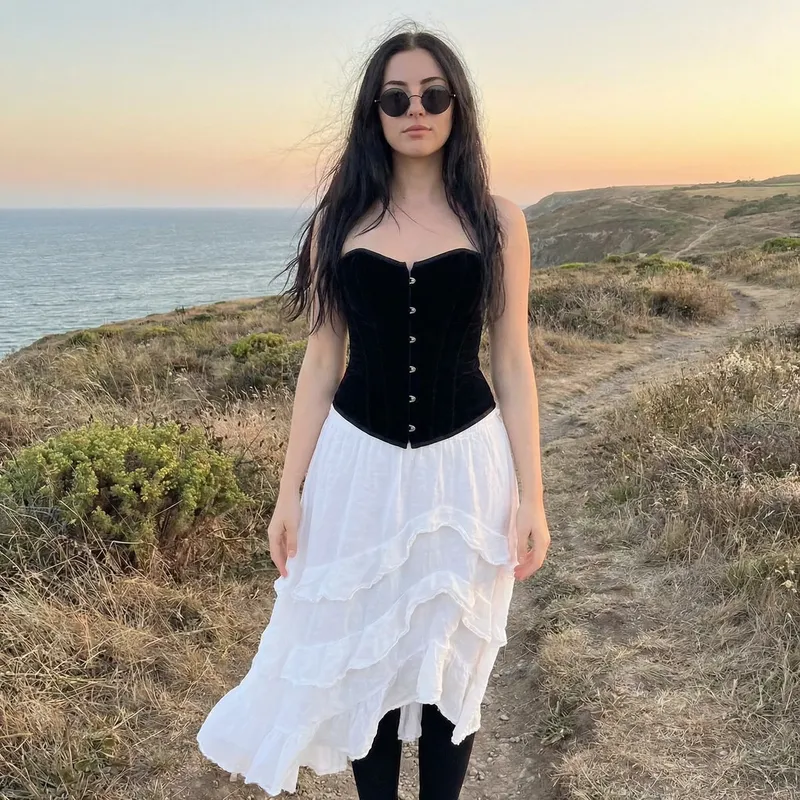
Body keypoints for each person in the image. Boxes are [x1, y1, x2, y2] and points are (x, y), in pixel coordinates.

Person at [196, 23, 551, 800]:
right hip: (356, 466)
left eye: (432, 94)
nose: (414, 109)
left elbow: (513, 360)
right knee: (369, 658)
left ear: (456, 106)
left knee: (452, 657)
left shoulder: (500, 221)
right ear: (375, 111)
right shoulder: (340, 222)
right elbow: (323, 359)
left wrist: (533, 497)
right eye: (396, 97)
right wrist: (288, 493)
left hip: (467, 466)